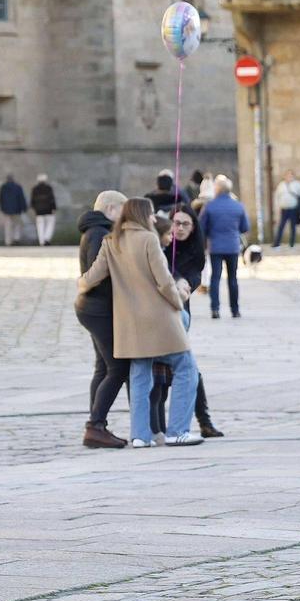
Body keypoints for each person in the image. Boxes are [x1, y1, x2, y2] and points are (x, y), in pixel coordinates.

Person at [77, 198, 203, 448]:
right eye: (151, 215)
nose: (154, 219)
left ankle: (140, 436)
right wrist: (178, 300)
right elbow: (164, 280)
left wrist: (80, 287)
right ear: (142, 215)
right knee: (186, 368)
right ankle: (177, 430)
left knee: (140, 374)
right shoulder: (148, 239)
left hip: (129, 323)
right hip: (158, 318)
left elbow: (90, 277)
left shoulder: (110, 241)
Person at [148, 207, 226, 439]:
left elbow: (192, 279)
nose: (179, 228)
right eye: (176, 223)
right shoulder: (157, 245)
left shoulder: (195, 253)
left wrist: (183, 282)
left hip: (179, 315)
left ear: (194, 228)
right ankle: (157, 427)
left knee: (188, 368)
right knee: (160, 373)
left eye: (185, 224)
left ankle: (204, 420)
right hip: (154, 315)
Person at [74, 190, 131, 449]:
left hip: (91, 307)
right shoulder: (99, 232)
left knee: (102, 366)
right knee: (118, 367)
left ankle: (97, 425)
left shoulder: (93, 229)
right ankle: (96, 425)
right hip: (98, 308)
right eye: (122, 211)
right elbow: (99, 270)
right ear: (110, 208)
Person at [199, 175, 250, 319]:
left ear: (217, 190)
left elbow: (202, 227)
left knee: (215, 277)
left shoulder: (210, 206)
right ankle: (235, 309)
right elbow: (245, 227)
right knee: (233, 279)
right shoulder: (238, 206)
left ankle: (215, 309)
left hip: (215, 246)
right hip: (233, 246)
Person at [274, 170, 300, 249]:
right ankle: (277, 244)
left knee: (293, 227)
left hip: (293, 209)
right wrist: (278, 206)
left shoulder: (297, 184)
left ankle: (292, 244)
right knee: (281, 226)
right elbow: (277, 196)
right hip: (284, 209)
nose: (289, 177)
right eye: (287, 175)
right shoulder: (281, 185)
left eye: (291, 175)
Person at [0, 174, 28, 246]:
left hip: (7, 210)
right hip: (16, 209)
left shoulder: (3, 187)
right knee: (17, 225)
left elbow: (1, 199)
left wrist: (2, 208)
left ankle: (8, 241)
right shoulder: (17, 187)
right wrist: (24, 208)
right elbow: (21, 198)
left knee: (8, 226)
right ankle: (16, 238)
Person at [30, 173, 57, 246]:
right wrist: (54, 208)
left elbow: (32, 201)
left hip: (38, 211)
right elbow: (52, 199)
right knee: (50, 224)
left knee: (40, 226)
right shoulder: (48, 188)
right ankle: (47, 239)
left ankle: (41, 241)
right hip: (49, 210)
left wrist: (34, 208)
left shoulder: (34, 189)